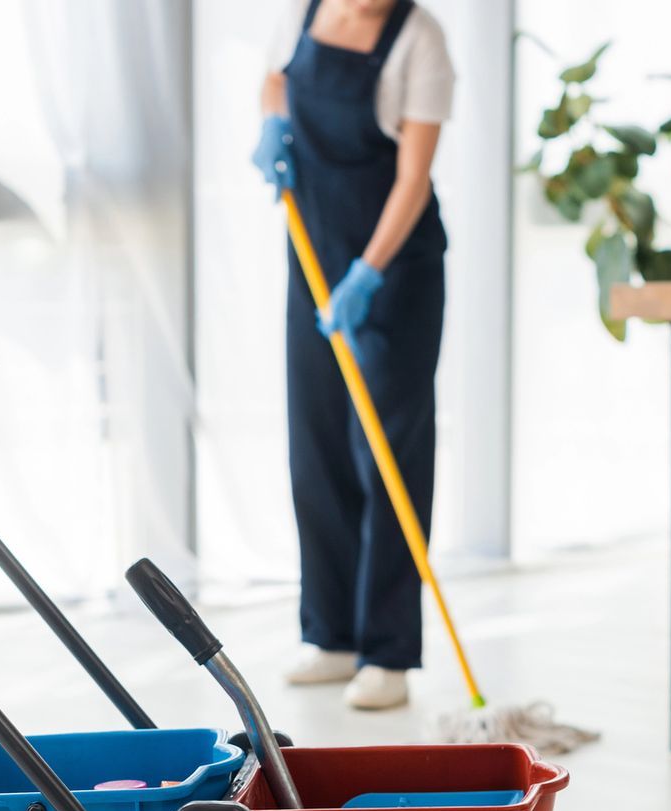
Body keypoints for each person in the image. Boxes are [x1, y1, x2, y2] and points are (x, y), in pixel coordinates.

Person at [251, 0, 453, 712]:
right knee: (317, 443)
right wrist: (271, 125)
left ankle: (388, 652)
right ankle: (331, 636)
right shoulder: (301, 12)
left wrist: (368, 273)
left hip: (392, 271)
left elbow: (413, 178)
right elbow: (277, 80)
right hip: (311, 255)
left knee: (388, 455)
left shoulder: (419, 41)